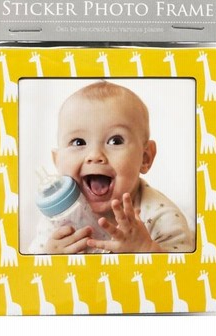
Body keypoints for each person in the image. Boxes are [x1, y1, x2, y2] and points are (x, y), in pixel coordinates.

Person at [29, 81, 194, 254]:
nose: (95, 155)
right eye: (78, 142)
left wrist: (146, 250)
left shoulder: (161, 217)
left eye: (115, 141)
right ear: (57, 161)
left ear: (145, 158)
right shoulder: (59, 219)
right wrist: (50, 257)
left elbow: (184, 268)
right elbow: (30, 266)